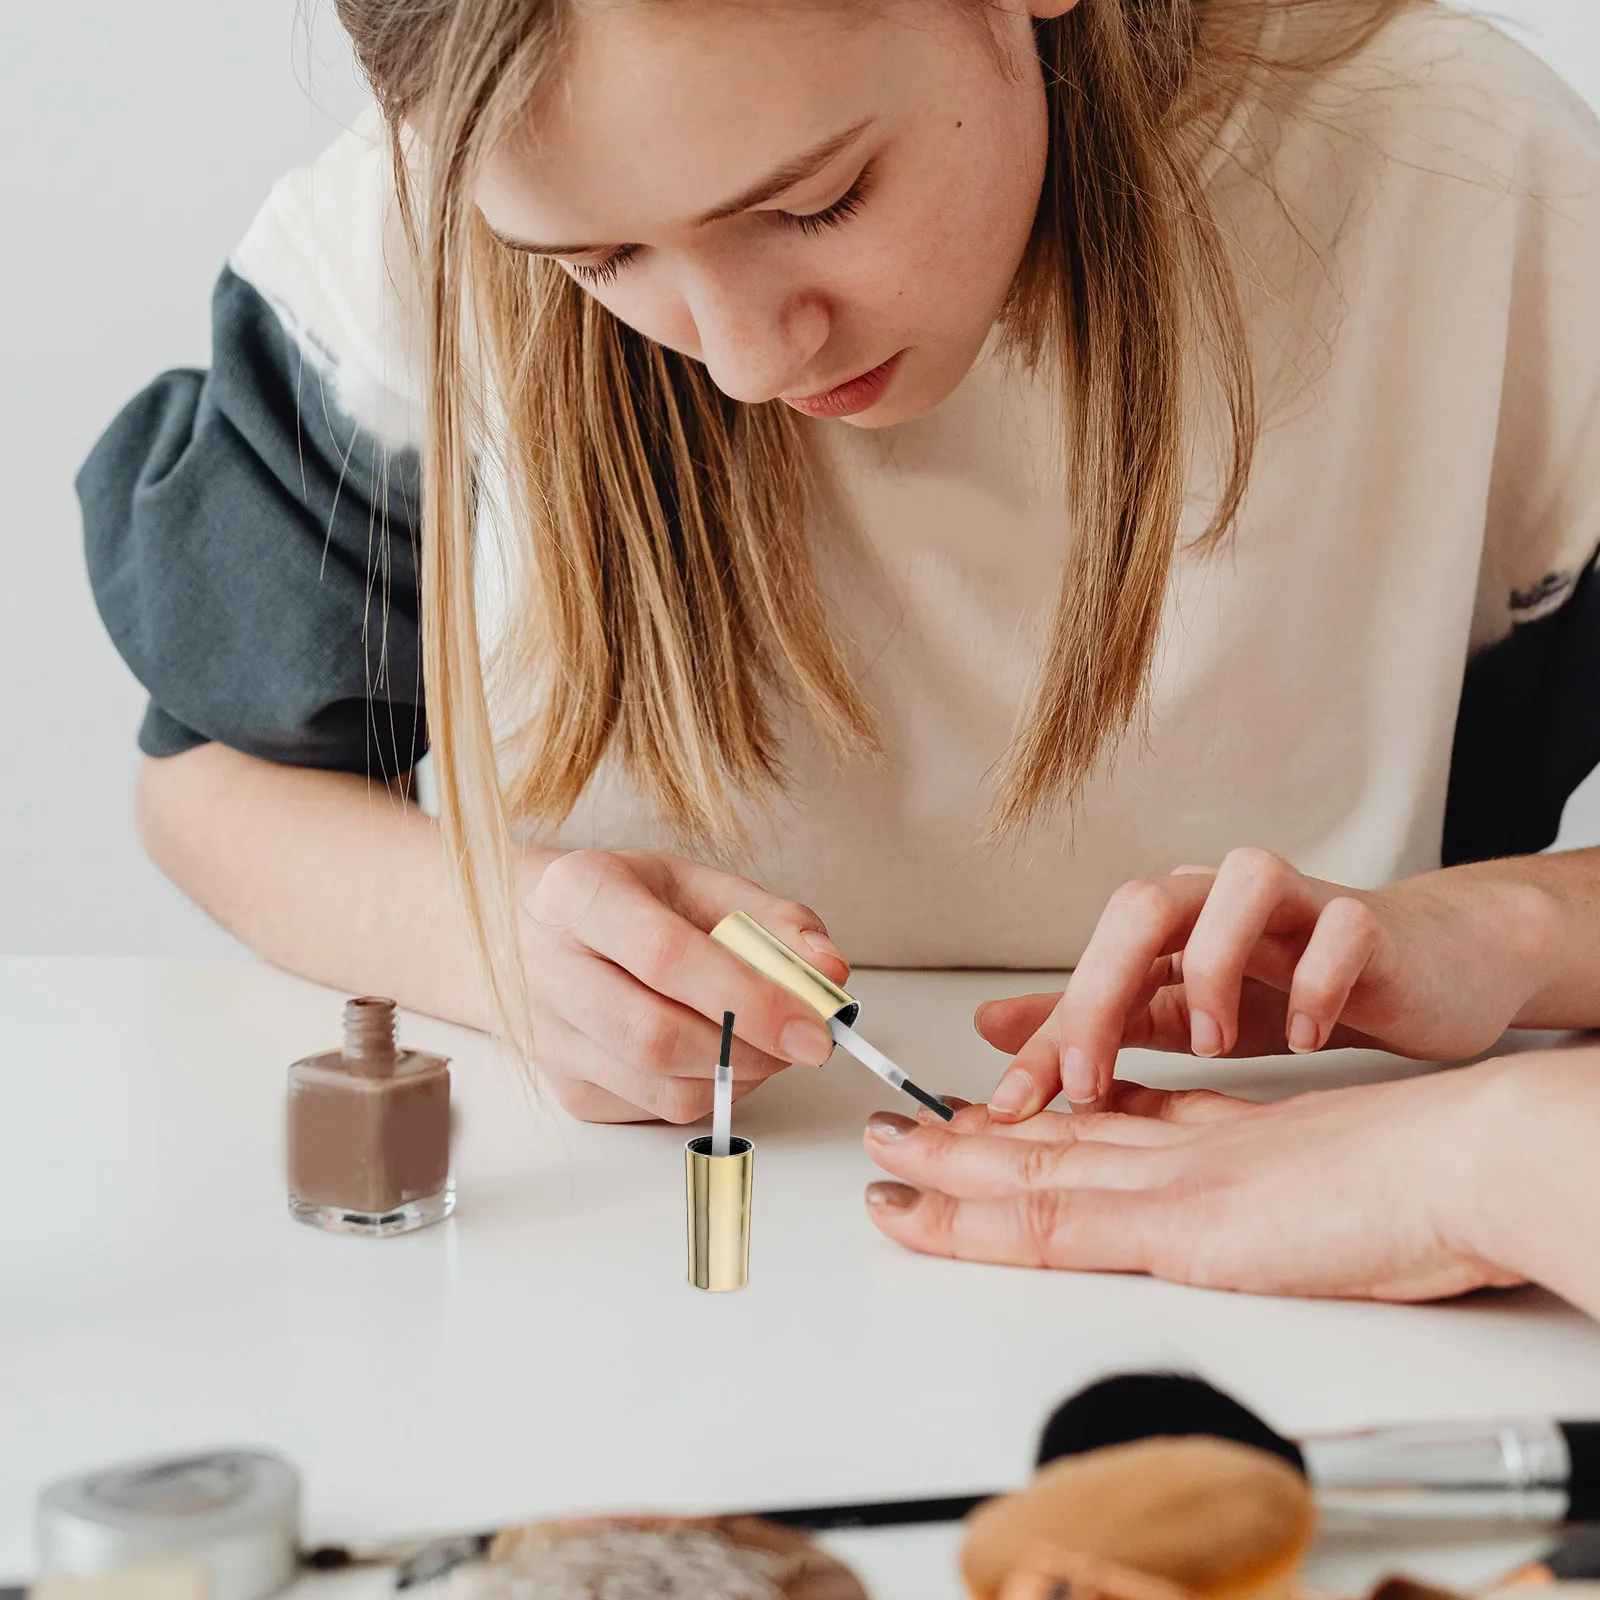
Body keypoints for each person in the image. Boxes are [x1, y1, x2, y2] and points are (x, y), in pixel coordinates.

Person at [80, 0, 1600, 1302]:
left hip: (1355, 1268)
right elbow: (201, 778)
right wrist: (497, 939)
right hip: (606, 1310)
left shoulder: (1461, 173)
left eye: (816, 202)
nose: (746, 359)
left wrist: (1507, 933)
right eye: (599, 258)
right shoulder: (401, 237)